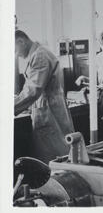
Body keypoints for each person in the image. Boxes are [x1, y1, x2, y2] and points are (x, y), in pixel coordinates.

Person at [14, 30, 75, 164]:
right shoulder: (38, 54)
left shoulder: (39, 56)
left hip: (49, 113)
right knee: (57, 156)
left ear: (21, 41)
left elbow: (33, 90)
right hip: (48, 109)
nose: (16, 55)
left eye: (15, 50)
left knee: (55, 159)